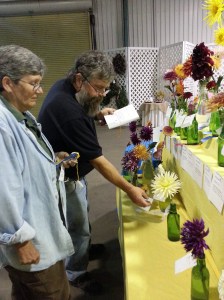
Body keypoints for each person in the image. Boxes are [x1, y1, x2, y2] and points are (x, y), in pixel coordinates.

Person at [38, 50, 150, 295]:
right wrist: (130, 189)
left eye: (105, 89)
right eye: (98, 89)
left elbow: (82, 110)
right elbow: (99, 161)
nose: (101, 95)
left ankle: (84, 249)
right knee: (77, 224)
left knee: (81, 216)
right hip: (65, 176)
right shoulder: (67, 111)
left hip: (74, 170)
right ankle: (76, 271)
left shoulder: (66, 88)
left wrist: (98, 113)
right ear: (80, 79)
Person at [0, 44, 76, 300]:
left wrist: (53, 161)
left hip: (38, 233)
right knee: (51, 292)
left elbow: (21, 166)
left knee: (25, 293)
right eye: (33, 83)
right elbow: (3, 188)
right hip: (32, 243)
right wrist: (20, 241)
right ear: (8, 83)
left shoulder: (20, 115)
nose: (40, 90)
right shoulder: (2, 125)